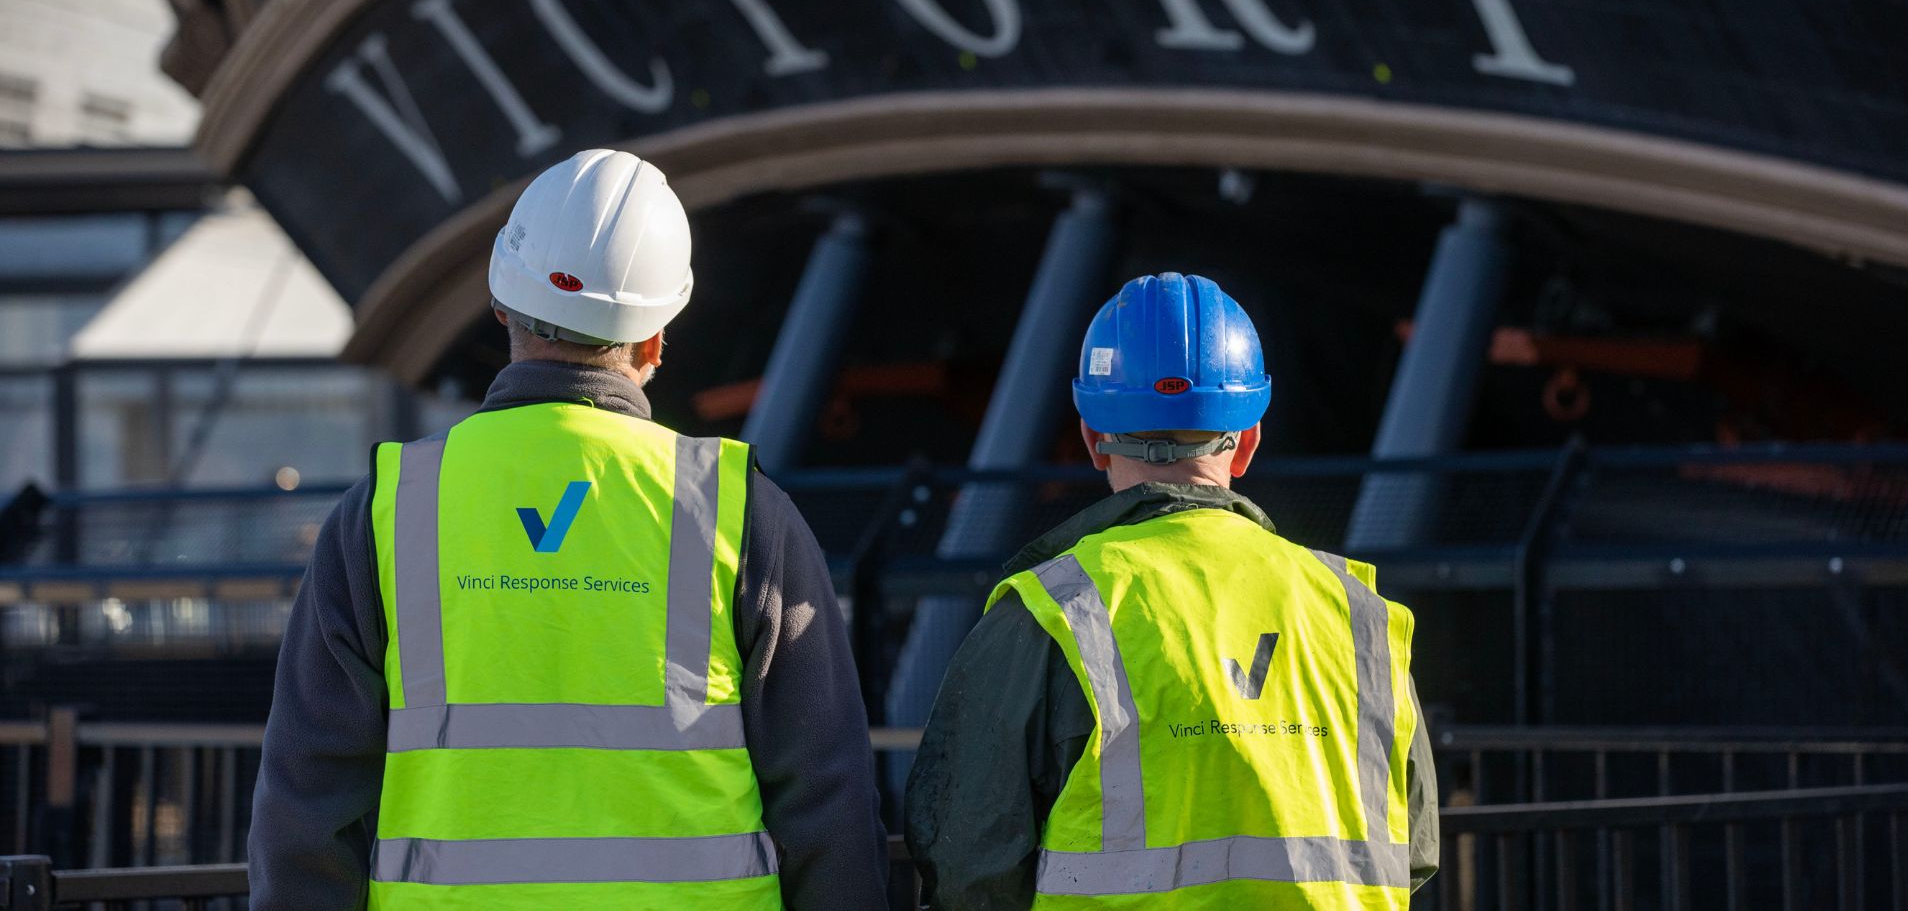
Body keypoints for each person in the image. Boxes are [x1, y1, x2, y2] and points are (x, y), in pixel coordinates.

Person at [249, 149, 889, 909]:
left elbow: (307, 810)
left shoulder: (386, 510)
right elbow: (828, 802)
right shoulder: (739, 511)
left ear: (500, 309)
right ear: (654, 343)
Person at [906, 272, 1437, 909]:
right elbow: (1415, 849)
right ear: (1247, 442)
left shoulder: (1054, 612)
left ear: (1092, 440)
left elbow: (969, 864)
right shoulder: (1356, 613)